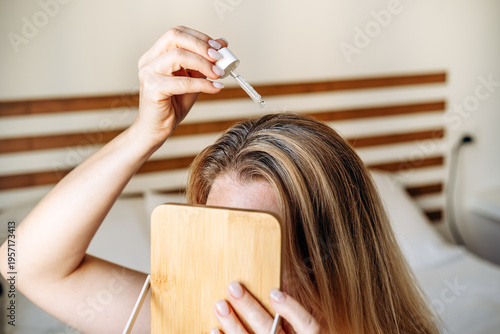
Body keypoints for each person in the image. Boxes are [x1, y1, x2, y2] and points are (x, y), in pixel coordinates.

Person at [0, 26, 439, 334]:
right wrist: (143, 134)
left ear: (336, 249)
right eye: (218, 233)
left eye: (258, 237)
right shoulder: (197, 315)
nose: (233, 269)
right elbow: (23, 263)